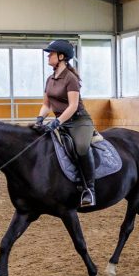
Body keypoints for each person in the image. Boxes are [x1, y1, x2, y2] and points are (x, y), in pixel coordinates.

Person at [35, 39, 97, 207]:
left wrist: (57, 121)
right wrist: (40, 118)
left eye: (51, 54)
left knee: (82, 148)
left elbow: (73, 105)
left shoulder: (70, 78)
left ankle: (89, 189)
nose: (48, 56)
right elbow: (46, 104)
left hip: (78, 121)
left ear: (61, 56)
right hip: (60, 122)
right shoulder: (50, 79)